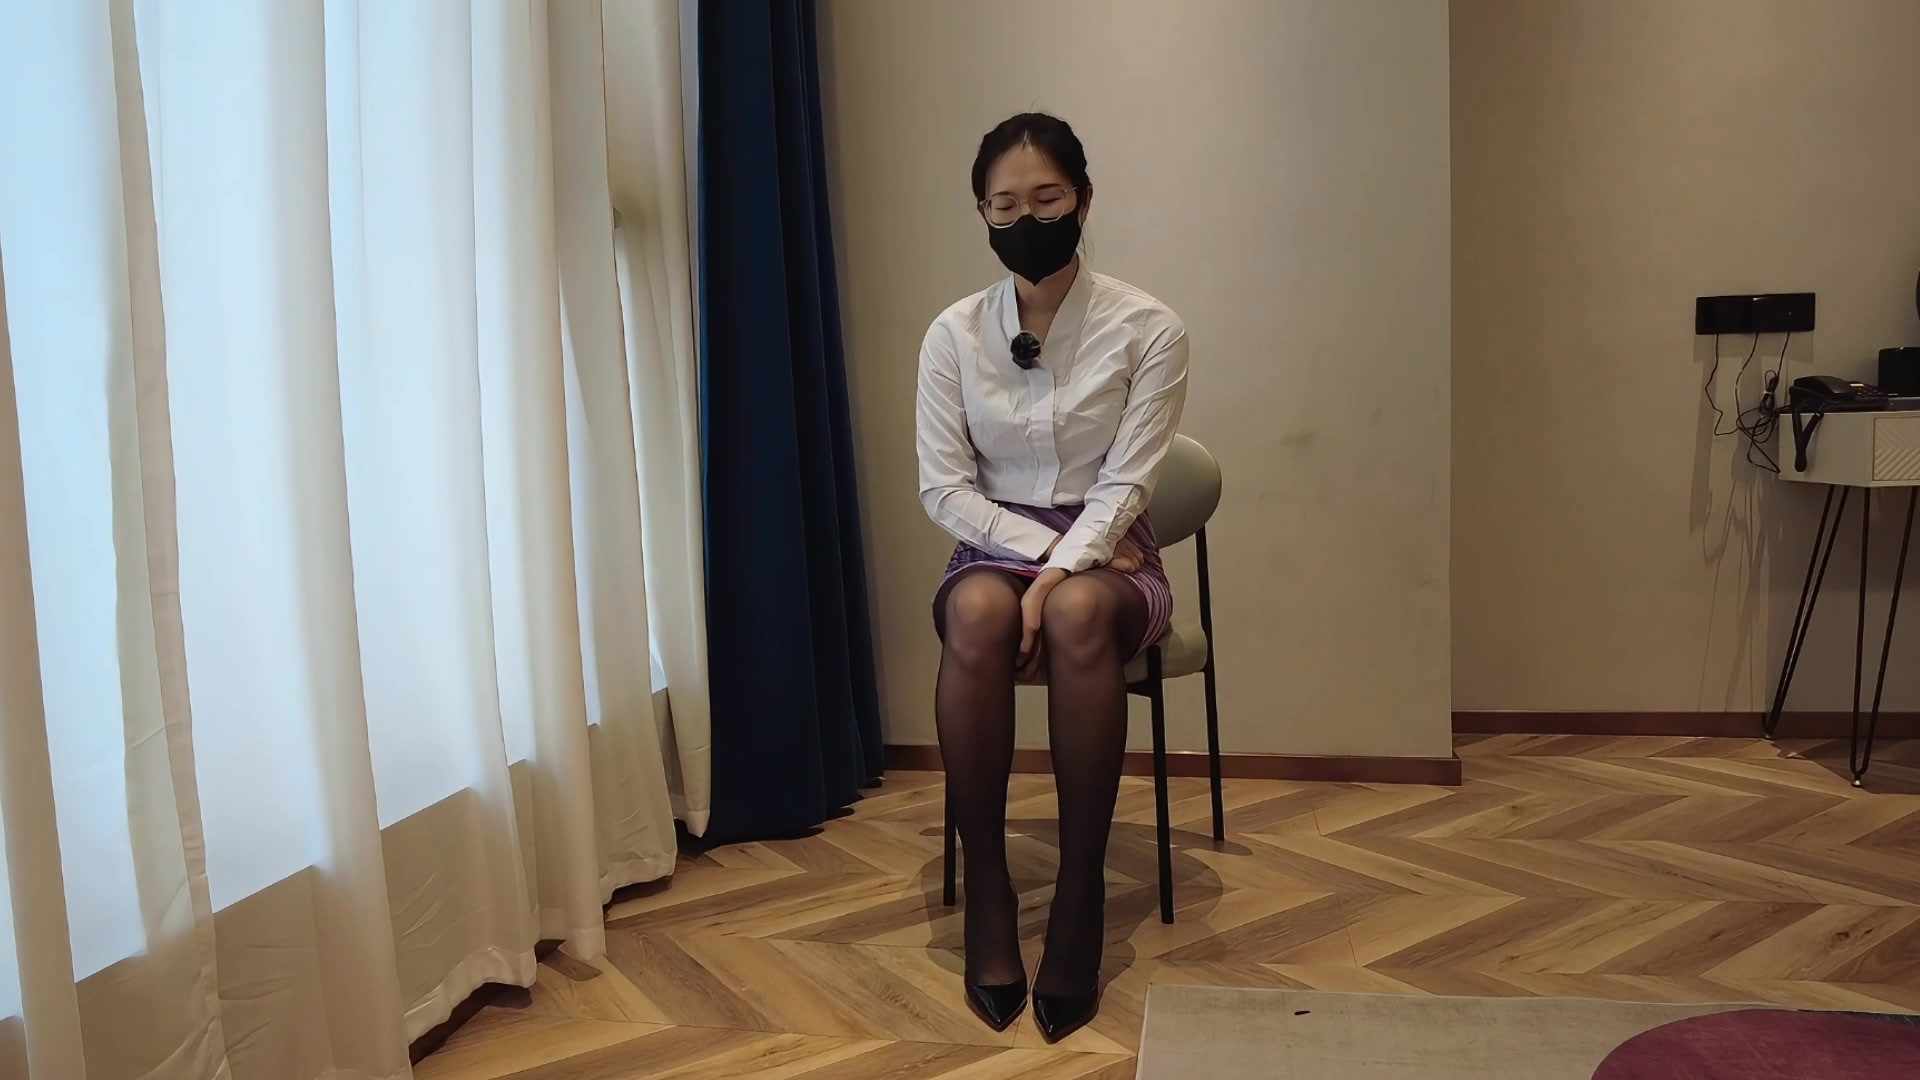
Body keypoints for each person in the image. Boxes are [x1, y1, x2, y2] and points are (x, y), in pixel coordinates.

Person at [918, 112, 1189, 1042]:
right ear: (981, 213)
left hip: (1114, 548)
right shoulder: (953, 333)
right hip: (995, 542)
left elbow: (1129, 483)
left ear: (1083, 199)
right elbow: (943, 488)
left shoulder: (1148, 327)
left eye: (1046, 198)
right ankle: (990, 895)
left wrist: (1067, 564)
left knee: (1074, 611)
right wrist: (1039, 558)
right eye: (1004, 205)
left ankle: (1078, 901)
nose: (1025, 219)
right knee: (981, 611)